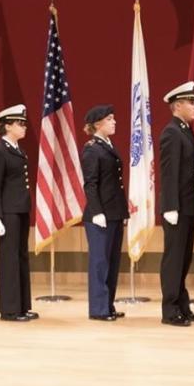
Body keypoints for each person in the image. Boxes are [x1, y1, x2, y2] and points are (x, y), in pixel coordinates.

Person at [158, 81, 194, 327]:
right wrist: (170, 206)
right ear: (177, 106)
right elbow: (169, 173)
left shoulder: (185, 131)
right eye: (191, 102)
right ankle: (170, 309)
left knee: (184, 258)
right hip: (176, 207)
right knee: (174, 259)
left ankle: (182, 306)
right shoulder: (172, 133)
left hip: (187, 205)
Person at [0, 104, 37, 322]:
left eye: (24, 123)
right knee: (9, 260)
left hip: (20, 210)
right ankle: (9, 309)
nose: (23, 127)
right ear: (7, 126)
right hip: (7, 212)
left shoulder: (17, 150)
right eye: (19, 123)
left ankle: (22, 305)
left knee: (20, 257)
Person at [81, 104, 129, 321]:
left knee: (112, 262)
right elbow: (91, 184)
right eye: (110, 119)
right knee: (100, 262)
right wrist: (97, 211)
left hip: (114, 212)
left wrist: (122, 212)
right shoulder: (92, 149)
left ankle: (107, 304)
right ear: (98, 124)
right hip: (100, 215)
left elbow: (116, 184)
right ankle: (98, 309)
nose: (114, 122)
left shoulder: (108, 145)